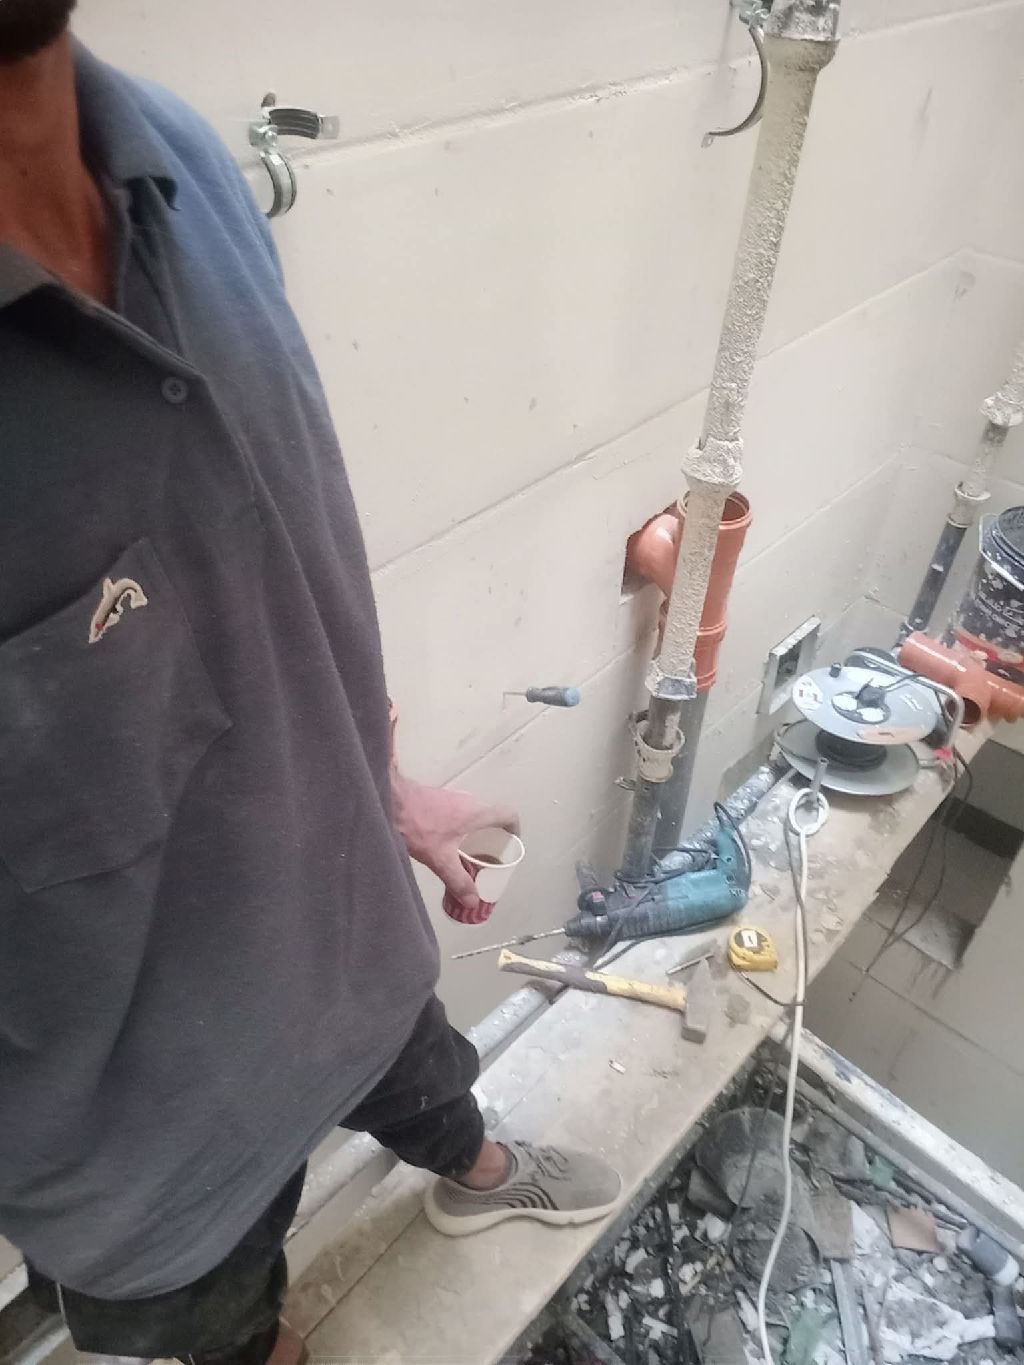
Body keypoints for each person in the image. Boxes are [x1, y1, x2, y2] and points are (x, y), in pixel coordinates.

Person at [0, 4, 621, 1362]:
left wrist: (379, 786)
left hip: (342, 937)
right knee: (236, 1333)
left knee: (434, 1087)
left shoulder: (182, 167)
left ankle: (480, 1175)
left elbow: (246, 578)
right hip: (145, 1143)